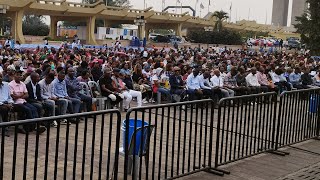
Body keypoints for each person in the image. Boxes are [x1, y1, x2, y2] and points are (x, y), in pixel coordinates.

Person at [9, 69, 46, 134]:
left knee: (34, 108)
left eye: (20, 75)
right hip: (15, 103)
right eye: (17, 75)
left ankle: (35, 126)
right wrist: (22, 94)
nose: (19, 76)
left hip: (23, 101)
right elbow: (13, 97)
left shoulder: (22, 84)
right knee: (28, 110)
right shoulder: (10, 84)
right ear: (14, 75)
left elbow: (27, 95)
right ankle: (32, 127)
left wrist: (19, 95)